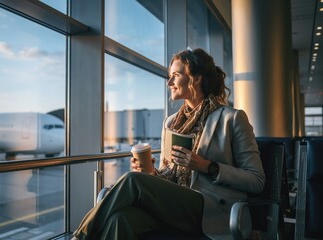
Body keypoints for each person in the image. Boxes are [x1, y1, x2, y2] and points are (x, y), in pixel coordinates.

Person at [72, 48, 265, 240]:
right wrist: (151, 174)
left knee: (132, 180)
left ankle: (80, 237)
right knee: (119, 219)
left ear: (195, 78)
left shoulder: (232, 119)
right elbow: (169, 175)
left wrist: (208, 167)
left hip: (211, 209)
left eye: (176, 75)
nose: (169, 83)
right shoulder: (171, 123)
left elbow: (256, 180)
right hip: (173, 207)